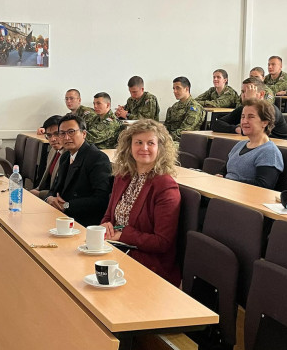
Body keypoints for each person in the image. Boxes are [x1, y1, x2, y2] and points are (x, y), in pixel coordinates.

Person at [101, 120, 181, 285]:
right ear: (129, 147)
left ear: (160, 149)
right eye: (138, 142)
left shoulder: (165, 186)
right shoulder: (123, 177)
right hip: (117, 249)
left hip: (148, 262)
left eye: (150, 143)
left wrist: (123, 236)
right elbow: (109, 215)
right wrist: (106, 225)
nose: (144, 148)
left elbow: (162, 242)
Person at [46, 114, 112, 227]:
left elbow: (101, 200)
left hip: (84, 222)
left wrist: (66, 205)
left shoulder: (97, 158)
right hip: (62, 217)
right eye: (62, 133)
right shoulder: (65, 157)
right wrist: (50, 198)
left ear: (84, 134)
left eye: (71, 132)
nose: (66, 137)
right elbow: (55, 188)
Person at [223, 99, 284, 189]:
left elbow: (264, 185)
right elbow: (224, 171)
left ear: (265, 122)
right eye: (243, 117)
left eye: (250, 117)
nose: (244, 121)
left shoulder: (269, 152)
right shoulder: (239, 145)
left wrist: (230, 183)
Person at [213, 78, 287, 139]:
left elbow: (258, 131)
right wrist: (236, 129)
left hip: (279, 147)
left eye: (249, 91)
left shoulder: (270, 109)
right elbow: (217, 124)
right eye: (243, 92)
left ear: (261, 94)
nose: (244, 95)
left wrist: (251, 100)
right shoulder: (244, 109)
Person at [30, 115, 64, 199]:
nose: (53, 139)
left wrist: (39, 194)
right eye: (49, 135)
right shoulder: (53, 151)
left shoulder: (69, 155)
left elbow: (61, 192)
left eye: (57, 134)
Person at [164, 76, 205, 142]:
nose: (175, 91)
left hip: (185, 142)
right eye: (173, 88)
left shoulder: (194, 107)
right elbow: (166, 127)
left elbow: (185, 130)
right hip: (170, 140)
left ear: (186, 89)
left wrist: (166, 138)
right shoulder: (174, 106)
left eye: (178, 88)